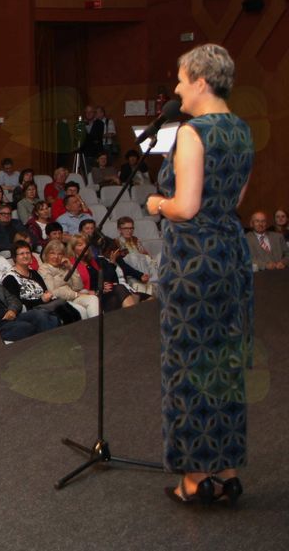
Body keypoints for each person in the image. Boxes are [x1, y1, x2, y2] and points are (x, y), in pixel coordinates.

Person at [143, 44, 253, 505]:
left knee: (188, 364)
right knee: (224, 364)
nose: (176, 88)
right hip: (230, 256)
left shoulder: (193, 133)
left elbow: (186, 207)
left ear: (201, 82)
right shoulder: (241, 130)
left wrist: (157, 204)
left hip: (193, 262)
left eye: (182, 79)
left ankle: (194, 479)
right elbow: (236, 200)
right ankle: (226, 472)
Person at [38, 240, 100, 319]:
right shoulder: (44, 268)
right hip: (60, 302)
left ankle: (98, 326)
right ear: (46, 255)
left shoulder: (64, 266)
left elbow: (78, 287)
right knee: (82, 311)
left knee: (93, 299)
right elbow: (52, 291)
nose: (56, 257)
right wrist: (76, 294)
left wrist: (71, 268)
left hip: (72, 298)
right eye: (52, 253)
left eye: (59, 254)